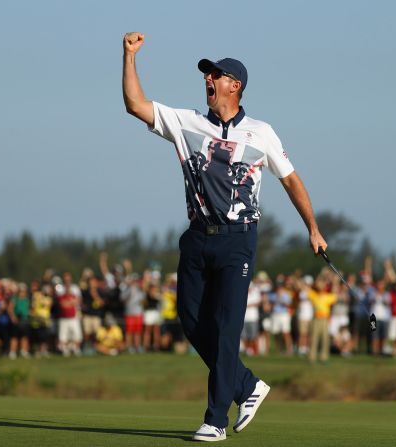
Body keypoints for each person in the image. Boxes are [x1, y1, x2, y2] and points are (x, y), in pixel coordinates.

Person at [122, 32, 328, 441]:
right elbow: (134, 104)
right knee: (192, 320)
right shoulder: (186, 122)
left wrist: (313, 228)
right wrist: (129, 57)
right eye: (206, 75)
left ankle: (215, 420)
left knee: (227, 326)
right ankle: (247, 385)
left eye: (214, 75)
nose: (207, 80)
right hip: (197, 237)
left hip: (239, 239)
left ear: (234, 85)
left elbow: (291, 182)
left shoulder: (261, 132)